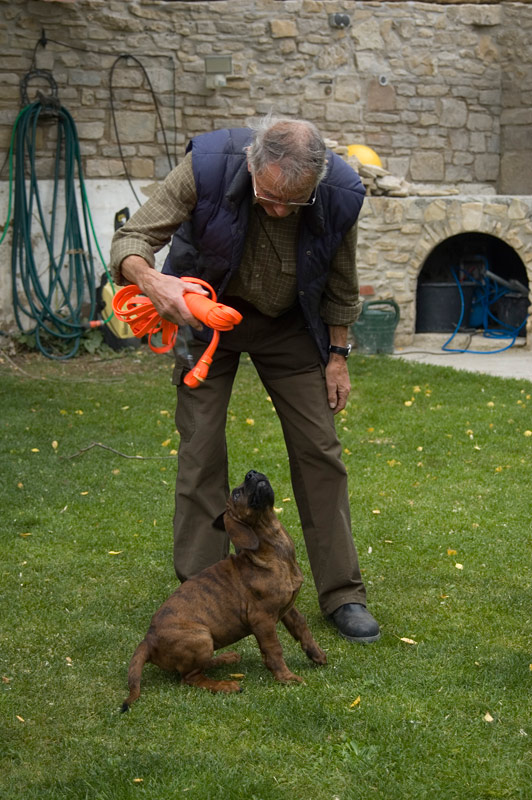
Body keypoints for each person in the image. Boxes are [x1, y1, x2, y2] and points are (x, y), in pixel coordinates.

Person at [110, 115, 380, 644]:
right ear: (253, 164)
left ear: (317, 181)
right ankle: (199, 589)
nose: (279, 209)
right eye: (269, 196)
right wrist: (153, 280)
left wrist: (339, 354)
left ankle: (343, 594)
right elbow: (132, 237)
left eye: (293, 202)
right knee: (201, 447)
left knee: (320, 450)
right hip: (205, 317)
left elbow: (342, 281)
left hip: (289, 325)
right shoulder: (207, 168)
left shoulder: (340, 193)